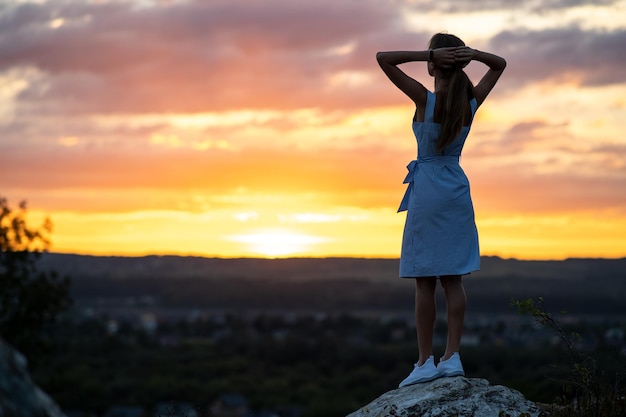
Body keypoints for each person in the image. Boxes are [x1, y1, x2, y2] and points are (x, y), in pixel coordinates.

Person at [376, 33, 506, 387]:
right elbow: (500, 65)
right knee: (453, 278)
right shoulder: (471, 103)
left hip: (429, 189)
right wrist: (474, 54)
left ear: (436, 63)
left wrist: (427, 53)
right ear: (461, 62)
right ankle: (452, 357)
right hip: (457, 189)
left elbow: (383, 57)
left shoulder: (425, 99)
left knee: (424, 282)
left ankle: (423, 362)